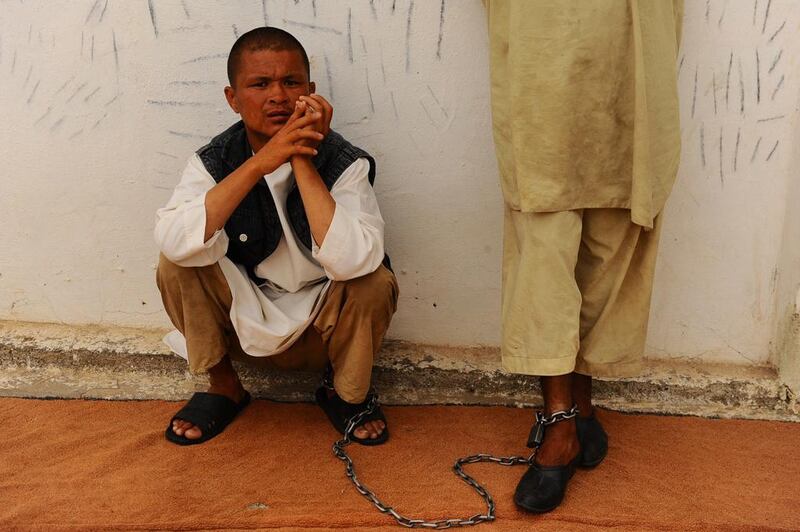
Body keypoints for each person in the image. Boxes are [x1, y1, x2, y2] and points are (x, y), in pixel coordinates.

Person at [154, 27, 398, 447]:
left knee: (372, 281)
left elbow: (356, 260)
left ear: (311, 91)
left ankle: (343, 394)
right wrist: (258, 165)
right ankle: (224, 387)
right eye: (260, 84)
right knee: (177, 261)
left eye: (291, 82)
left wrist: (301, 159)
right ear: (233, 98)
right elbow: (174, 238)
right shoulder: (213, 160)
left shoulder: (345, 162)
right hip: (245, 314)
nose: (278, 97)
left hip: (324, 324)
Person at [485, 0, 683, 512]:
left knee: (618, 227)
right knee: (543, 237)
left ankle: (582, 404)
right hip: (540, 49)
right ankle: (560, 422)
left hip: (632, 51)